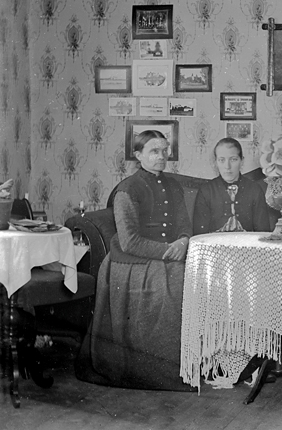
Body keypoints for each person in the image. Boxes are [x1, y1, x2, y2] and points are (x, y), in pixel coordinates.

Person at [76, 130, 194, 391]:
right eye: (154, 151)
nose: (161, 156)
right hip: (131, 261)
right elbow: (130, 242)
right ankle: (161, 370)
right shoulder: (128, 189)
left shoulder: (173, 186)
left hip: (168, 253)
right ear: (138, 155)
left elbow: (184, 224)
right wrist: (167, 251)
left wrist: (183, 241)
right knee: (176, 283)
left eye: (164, 150)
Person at [193, 137, 272, 235]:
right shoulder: (206, 191)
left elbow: (263, 232)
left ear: (241, 161)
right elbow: (199, 235)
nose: (227, 166)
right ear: (215, 162)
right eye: (221, 160)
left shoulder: (254, 190)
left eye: (233, 159)